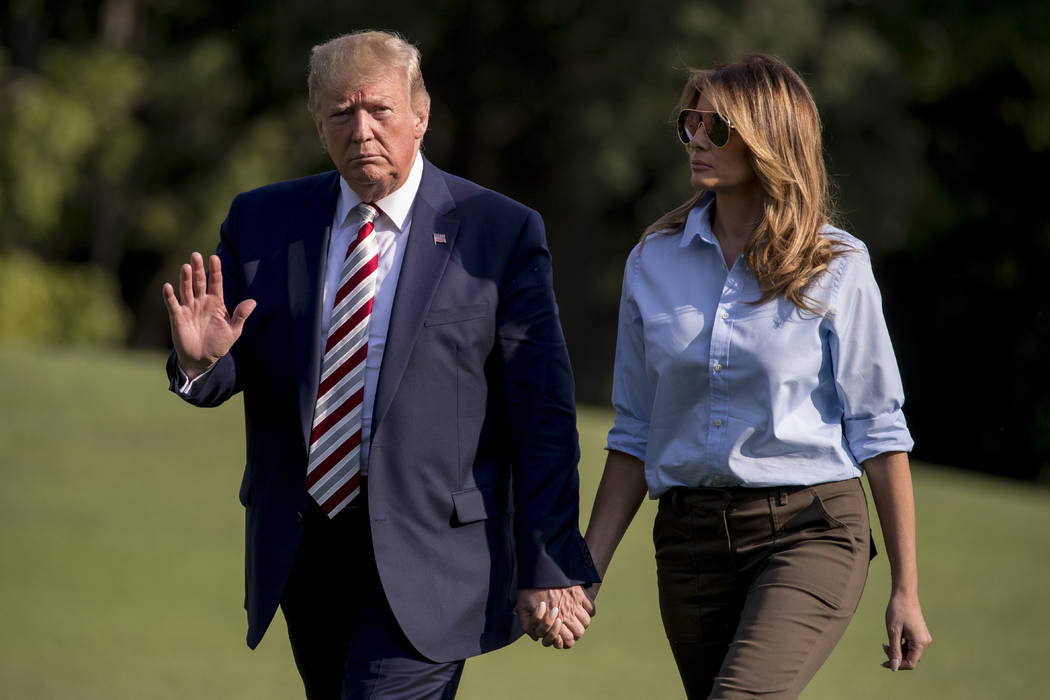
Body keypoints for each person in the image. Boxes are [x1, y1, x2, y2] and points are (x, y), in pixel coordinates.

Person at [161, 30, 597, 700]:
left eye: (379, 110)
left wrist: (551, 560)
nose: (360, 130)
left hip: (435, 556)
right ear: (318, 124)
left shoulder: (497, 231)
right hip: (306, 550)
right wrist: (200, 363)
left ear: (420, 115)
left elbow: (541, 413)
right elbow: (229, 366)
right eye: (340, 113)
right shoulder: (264, 220)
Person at [582, 55, 932, 699]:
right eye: (691, 122)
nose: (695, 138)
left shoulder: (838, 264)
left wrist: (905, 588)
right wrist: (587, 572)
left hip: (810, 528)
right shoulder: (651, 260)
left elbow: (880, 431)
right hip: (687, 543)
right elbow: (634, 432)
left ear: (769, 138)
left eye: (717, 128)